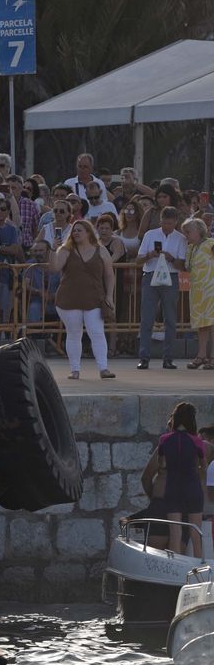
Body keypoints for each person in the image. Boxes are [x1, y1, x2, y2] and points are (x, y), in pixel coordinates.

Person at [46, 218, 116, 379]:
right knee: (73, 333)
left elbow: (109, 275)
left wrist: (109, 296)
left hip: (94, 298)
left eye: (79, 230)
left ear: (89, 232)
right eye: (74, 231)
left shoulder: (101, 250)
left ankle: (103, 368)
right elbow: (54, 268)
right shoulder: (66, 250)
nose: (76, 233)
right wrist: (53, 249)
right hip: (69, 299)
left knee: (96, 331)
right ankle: (75, 370)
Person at [142, 402, 210, 557]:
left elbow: (157, 467)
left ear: (174, 420)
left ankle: (175, 567)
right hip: (192, 490)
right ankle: (200, 567)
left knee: (175, 535)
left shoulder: (164, 440)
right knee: (196, 535)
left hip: (171, 492)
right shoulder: (197, 442)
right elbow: (204, 466)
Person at [137, 207, 188, 369]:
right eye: (164, 223)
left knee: (170, 319)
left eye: (170, 224)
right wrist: (150, 255)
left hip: (171, 277)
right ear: (160, 221)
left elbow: (182, 266)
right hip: (150, 274)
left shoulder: (181, 238)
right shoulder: (150, 235)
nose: (167, 226)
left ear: (176, 222)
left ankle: (168, 358)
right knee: (147, 318)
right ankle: (144, 357)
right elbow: (138, 260)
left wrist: (170, 258)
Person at [185, 217, 214, 370]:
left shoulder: (211, 244)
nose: (186, 235)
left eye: (188, 232)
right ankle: (201, 355)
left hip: (211, 290)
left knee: (212, 324)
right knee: (202, 324)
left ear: (199, 231)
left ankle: (213, 358)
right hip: (197, 292)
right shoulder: (191, 248)